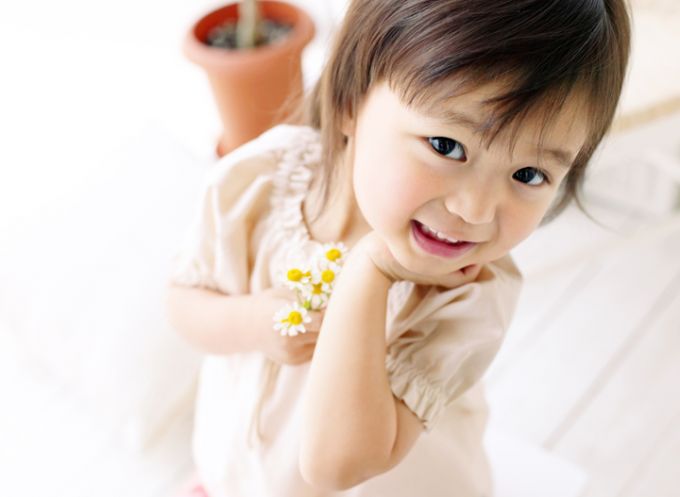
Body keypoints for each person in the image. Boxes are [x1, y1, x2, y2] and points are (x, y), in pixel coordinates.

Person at [166, 0, 631, 495]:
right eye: (447, 146)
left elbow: (337, 467)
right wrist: (255, 323)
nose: (475, 210)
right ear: (351, 102)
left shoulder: (468, 293)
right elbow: (183, 302)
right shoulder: (261, 181)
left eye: (529, 175)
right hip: (239, 473)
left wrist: (369, 271)